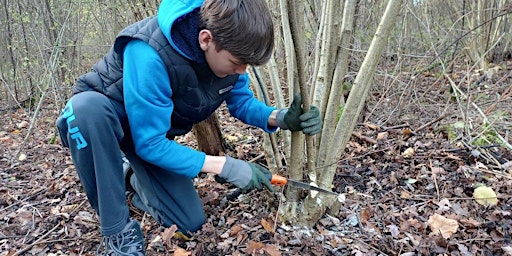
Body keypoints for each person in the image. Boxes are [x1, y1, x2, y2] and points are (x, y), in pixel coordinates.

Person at [56, 0, 322, 254]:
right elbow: (149, 143)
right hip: (102, 125)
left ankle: (129, 177)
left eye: (246, 65)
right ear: (206, 40)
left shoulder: (229, 55)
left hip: (150, 134)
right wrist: (225, 166)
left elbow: (242, 103)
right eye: (236, 63)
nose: (242, 71)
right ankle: (117, 233)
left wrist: (282, 117)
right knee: (86, 110)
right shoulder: (150, 54)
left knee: (188, 221)